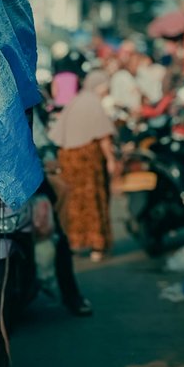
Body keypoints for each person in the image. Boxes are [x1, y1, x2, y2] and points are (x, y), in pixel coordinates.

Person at [47, 70, 118, 261]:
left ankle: (75, 243)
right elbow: (103, 136)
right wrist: (111, 160)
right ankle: (97, 246)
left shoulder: (76, 100)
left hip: (68, 158)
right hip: (88, 159)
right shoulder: (93, 102)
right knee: (94, 201)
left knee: (74, 202)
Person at [31, 101, 93, 316]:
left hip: (31, 178)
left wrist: (47, 159)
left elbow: (41, 141)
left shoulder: (23, 104)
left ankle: (72, 296)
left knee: (57, 237)